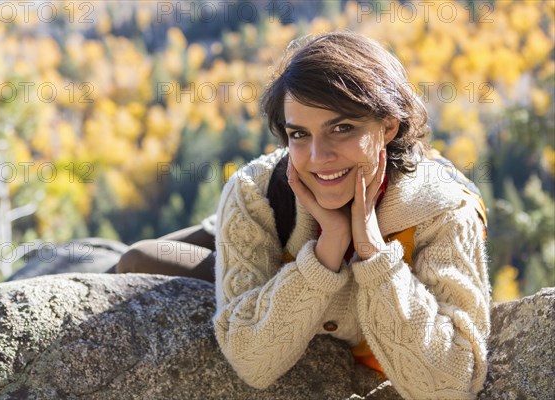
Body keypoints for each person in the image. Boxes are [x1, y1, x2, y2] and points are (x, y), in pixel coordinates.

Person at [117, 31, 491, 400]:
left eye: (342, 128)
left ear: (388, 126)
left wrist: (373, 252)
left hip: (326, 249)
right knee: (137, 260)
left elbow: (450, 386)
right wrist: (328, 248)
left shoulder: (442, 211)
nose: (317, 156)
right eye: (299, 134)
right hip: (274, 236)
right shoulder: (255, 191)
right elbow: (252, 362)